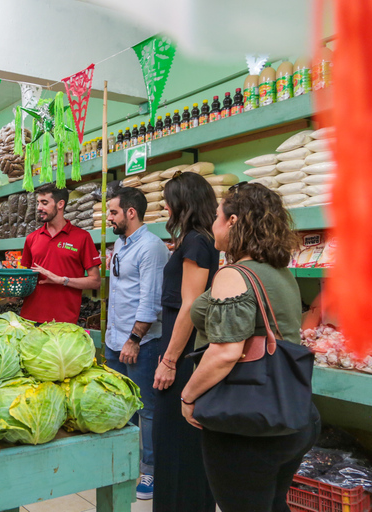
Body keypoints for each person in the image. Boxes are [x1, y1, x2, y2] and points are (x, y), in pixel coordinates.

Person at [181, 182, 320, 512]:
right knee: (272, 505)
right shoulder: (278, 270)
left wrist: (188, 396)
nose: (212, 225)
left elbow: (227, 351)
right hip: (292, 415)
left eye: (216, 217)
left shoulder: (235, 275)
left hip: (246, 425)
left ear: (232, 222)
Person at [151, 171, 218, 512]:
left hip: (184, 352)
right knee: (185, 441)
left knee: (174, 438)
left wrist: (169, 361)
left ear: (182, 204)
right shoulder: (203, 239)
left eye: (168, 199)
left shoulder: (195, 242)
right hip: (189, 349)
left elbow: (190, 304)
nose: (164, 206)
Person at [104, 187, 169, 500]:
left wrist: (133, 339)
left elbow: (151, 301)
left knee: (147, 410)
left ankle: (150, 471)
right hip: (114, 341)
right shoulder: (120, 243)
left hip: (139, 344)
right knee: (120, 406)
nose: (109, 218)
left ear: (131, 212)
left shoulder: (151, 247)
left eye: (113, 212)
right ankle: (125, 465)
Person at [20, 183, 101, 324]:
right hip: (30, 319)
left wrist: (62, 280)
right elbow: (26, 278)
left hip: (64, 322)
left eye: (44, 203)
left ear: (60, 204)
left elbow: (95, 281)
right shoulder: (31, 238)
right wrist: (14, 291)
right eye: (38, 203)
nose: (39, 208)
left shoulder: (82, 237)